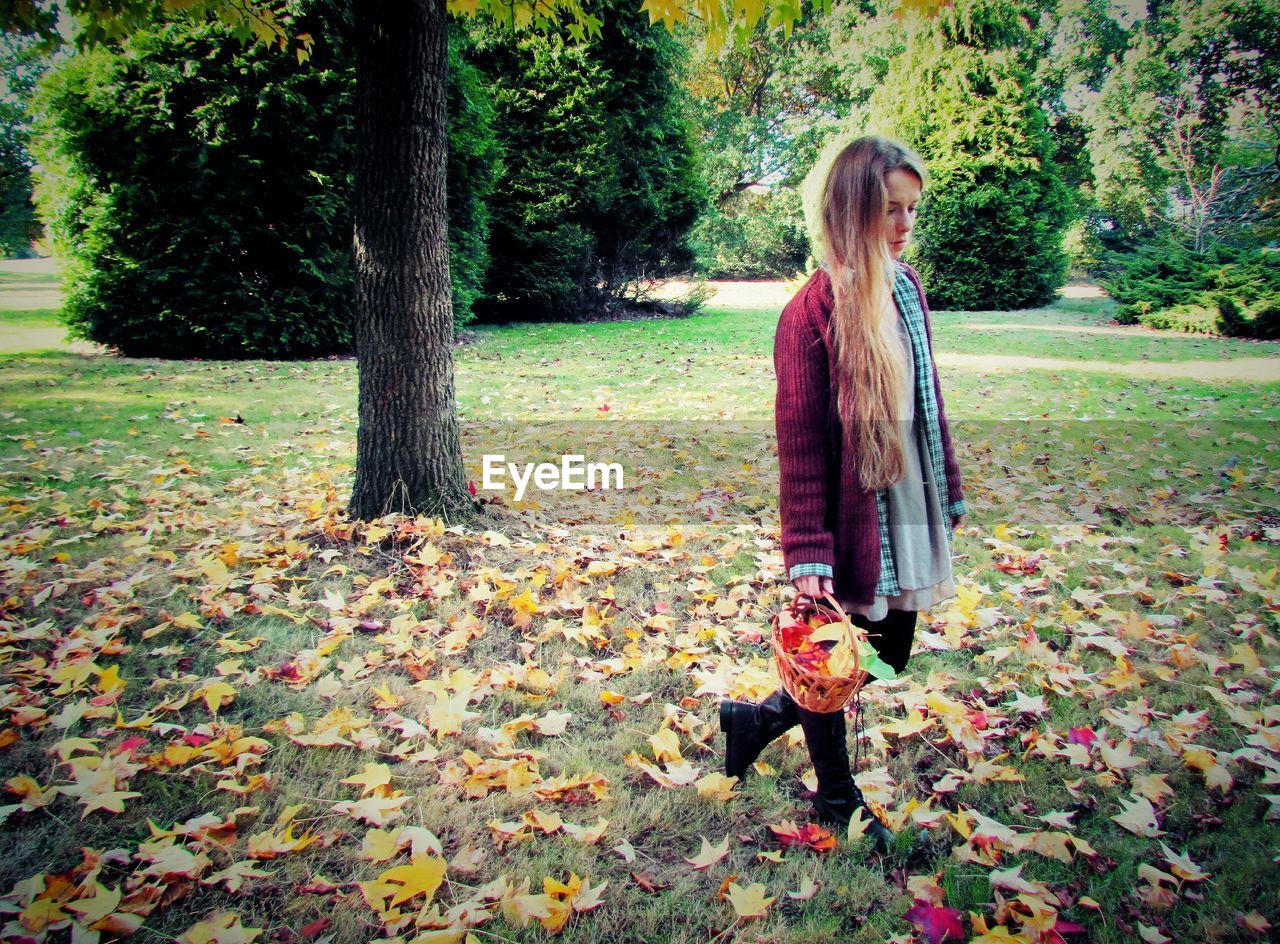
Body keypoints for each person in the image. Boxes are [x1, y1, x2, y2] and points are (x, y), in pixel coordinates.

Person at [720, 136, 966, 851]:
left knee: (885, 654)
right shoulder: (809, 314)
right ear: (849, 210)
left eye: (912, 209)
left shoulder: (908, 289)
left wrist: (946, 483)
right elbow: (799, 449)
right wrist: (808, 553)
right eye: (889, 209)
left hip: (907, 506)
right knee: (829, 658)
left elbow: (930, 400)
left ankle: (757, 721)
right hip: (846, 516)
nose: (904, 225)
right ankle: (836, 798)